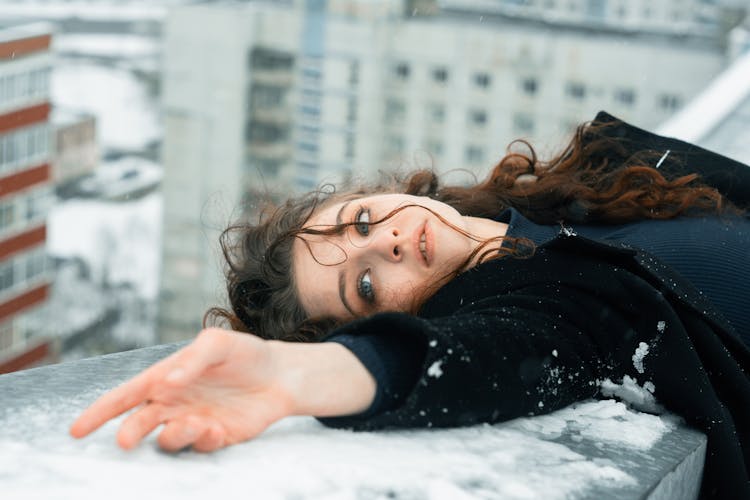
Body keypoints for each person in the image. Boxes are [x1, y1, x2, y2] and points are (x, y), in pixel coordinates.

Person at [70, 112, 750, 499]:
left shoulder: (579, 176)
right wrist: (293, 378)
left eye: (362, 222)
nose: (388, 242)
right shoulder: (544, 304)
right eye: (364, 286)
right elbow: (489, 354)